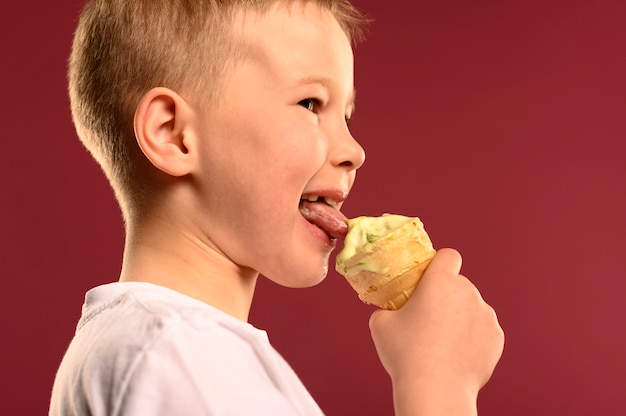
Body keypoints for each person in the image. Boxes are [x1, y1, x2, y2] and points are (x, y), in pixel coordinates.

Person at [50, 0, 504, 414]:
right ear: (172, 133)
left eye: (345, 115)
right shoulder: (182, 353)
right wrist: (439, 379)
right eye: (311, 103)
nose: (354, 150)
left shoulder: (156, 347)